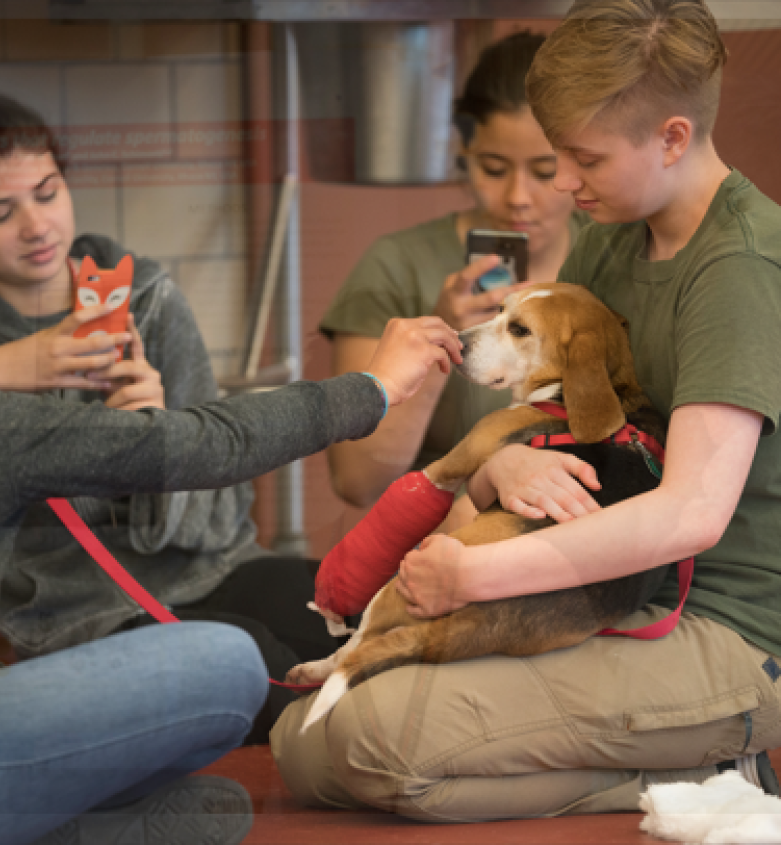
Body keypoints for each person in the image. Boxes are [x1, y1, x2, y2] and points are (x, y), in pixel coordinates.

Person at [272, 0, 781, 822]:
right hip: (593, 592)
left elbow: (689, 511)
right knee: (303, 739)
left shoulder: (740, 269)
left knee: (367, 738)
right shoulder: (613, 233)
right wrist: (502, 462)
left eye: (581, 160)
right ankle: (673, 778)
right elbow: (564, 420)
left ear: (672, 138)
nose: (563, 187)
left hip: (725, 636)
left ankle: (719, 771)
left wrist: (475, 571)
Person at [0, 252, 460, 845]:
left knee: (221, 783)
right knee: (237, 660)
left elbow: (198, 460)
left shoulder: (148, 296)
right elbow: (207, 446)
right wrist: (375, 388)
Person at [0, 71, 355, 744]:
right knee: (258, 667)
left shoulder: (143, 293)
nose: (37, 226)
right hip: (66, 602)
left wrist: (159, 441)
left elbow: (219, 508)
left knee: (350, 617)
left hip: (206, 562)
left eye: (48, 193)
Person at [321, 32, 593, 531]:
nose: (518, 197)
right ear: (463, 152)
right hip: (436, 541)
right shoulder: (395, 265)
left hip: (575, 532)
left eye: (544, 170)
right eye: (493, 168)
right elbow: (357, 481)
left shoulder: (608, 258)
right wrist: (440, 341)